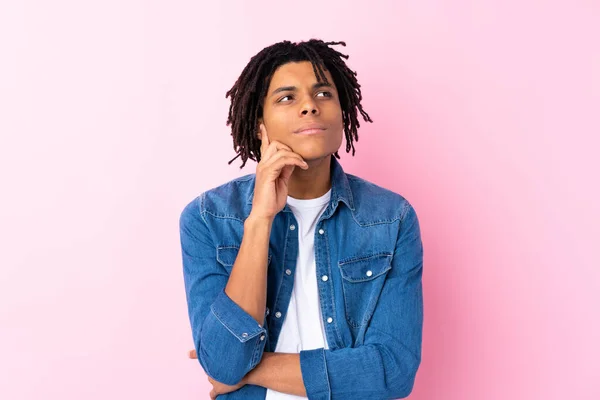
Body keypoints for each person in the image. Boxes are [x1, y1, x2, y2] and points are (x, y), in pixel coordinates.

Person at [180, 39, 424, 400]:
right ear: (259, 122)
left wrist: (253, 369)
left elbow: (392, 371)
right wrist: (260, 219)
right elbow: (226, 361)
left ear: (343, 113)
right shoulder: (208, 219)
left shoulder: (390, 219)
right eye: (287, 97)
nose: (310, 106)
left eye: (323, 94)